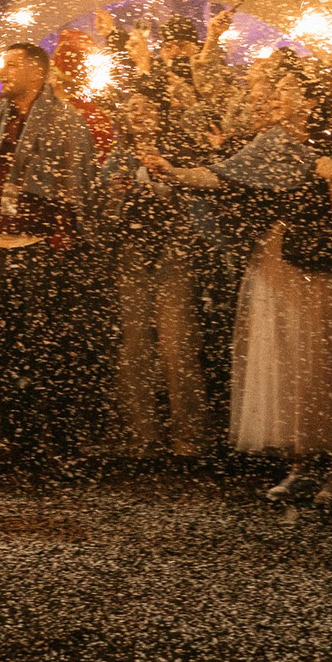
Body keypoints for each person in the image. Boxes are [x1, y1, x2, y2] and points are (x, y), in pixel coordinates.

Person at [152, 64, 332, 504]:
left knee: (329, 364)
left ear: (313, 101)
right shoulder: (269, 145)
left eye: (288, 90)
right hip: (280, 263)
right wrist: (173, 172)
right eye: (276, 89)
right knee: (287, 359)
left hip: (329, 267)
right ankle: (300, 462)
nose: (276, 97)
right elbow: (220, 176)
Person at [0, 41, 97, 469]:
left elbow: (79, 188)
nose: (5, 70)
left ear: (39, 72)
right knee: (5, 349)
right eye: (4, 63)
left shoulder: (66, 121)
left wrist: (65, 235)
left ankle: (59, 446)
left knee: (50, 351)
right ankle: (17, 442)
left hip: (43, 251)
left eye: (13, 64)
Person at [102, 82, 210, 461]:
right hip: (131, 257)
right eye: (132, 105)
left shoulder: (177, 151)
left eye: (146, 105)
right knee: (135, 348)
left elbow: (201, 200)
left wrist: (170, 179)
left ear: (161, 114)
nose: (138, 111)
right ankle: (142, 434)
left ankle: (189, 435)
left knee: (177, 346)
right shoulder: (117, 158)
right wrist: (116, 197)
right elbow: (104, 207)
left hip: (172, 256)